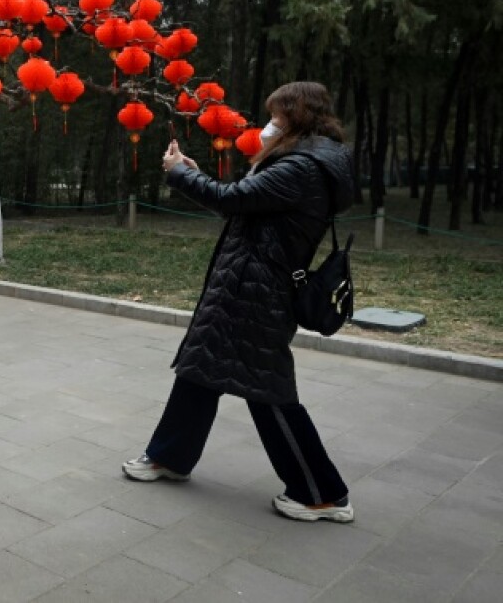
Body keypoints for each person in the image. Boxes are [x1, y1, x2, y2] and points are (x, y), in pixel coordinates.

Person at [122, 81, 357, 523]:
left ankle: (322, 493)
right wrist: (192, 173)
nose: (270, 123)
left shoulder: (302, 168)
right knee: (201, 367)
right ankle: (169, 457)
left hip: (258, 293)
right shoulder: (302, 161)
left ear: (296, 116)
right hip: (244, 285)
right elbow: (247, 203)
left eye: (277, 115)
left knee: (267, 391)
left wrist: (180, 173)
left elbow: (230, 200)